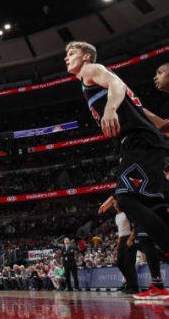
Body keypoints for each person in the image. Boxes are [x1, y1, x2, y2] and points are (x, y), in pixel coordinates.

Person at [65, 42, 169, 267]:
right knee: (150, 205)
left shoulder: (91, 70)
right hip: (140, 142)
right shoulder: (87, 84)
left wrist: (110, 108)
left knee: (126, 199)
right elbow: (144, 112)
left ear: (86, 57)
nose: (66, 57)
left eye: (71, 53)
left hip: (139, 141)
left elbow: (116, 83)